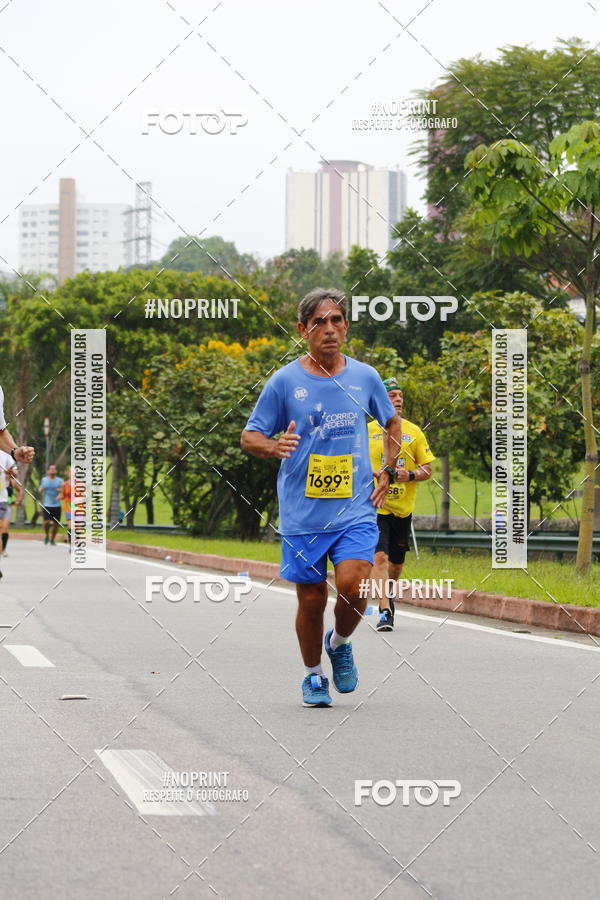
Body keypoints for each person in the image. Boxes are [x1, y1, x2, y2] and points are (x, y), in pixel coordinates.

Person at [241, 288, 401, 707]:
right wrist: (272, 447)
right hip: (303, 512)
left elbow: (392, 422)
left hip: (354, 508)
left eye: (336, 320)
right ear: (302, 330)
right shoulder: (285, 381)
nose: (329, 329)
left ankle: (341, 642)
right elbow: (249, 435)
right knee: (311, 599)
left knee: (353, 584)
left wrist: (386, 468)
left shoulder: (365, 377)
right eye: (319, 322)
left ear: (346, 326)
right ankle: (313, 676)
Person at [368, 378, 435, 632]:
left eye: (401, 396)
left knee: (396, 564)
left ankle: (388, 594)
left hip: (402, 508)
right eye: (392, 395)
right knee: (380, 556)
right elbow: (354, 462)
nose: (398, 399)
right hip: (376, 506)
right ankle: (385, 610)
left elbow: (428, 469)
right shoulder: (368, 431)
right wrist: (372, 472)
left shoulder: (414, 432)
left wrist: (411, 475)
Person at [0, 450, 23, 559]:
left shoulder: (13, 482)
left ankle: (3, 549)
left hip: (7, 505)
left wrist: (17, 501)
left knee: (4, 528)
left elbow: (20, 490)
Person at [39, 464, 64, 546]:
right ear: (48, 471)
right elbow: (40, 490)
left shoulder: (60, 481)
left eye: (54, 469)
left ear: (56, 471)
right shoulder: (44, 480)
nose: (52, 470)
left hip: (57, 505)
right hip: (47, 505)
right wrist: (43, 488)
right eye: (51, 469)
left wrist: (60, 490)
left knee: (56, 525)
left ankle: (52, 539)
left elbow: (63, 491)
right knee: (46, 522)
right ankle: (46, 535)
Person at [59, 466, 72, 544]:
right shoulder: (64, 484)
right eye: (71, 472)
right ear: (68, 473)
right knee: (71, 526)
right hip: (68, 508)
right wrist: (58, 496)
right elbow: (62, 496)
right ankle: (71, 542)